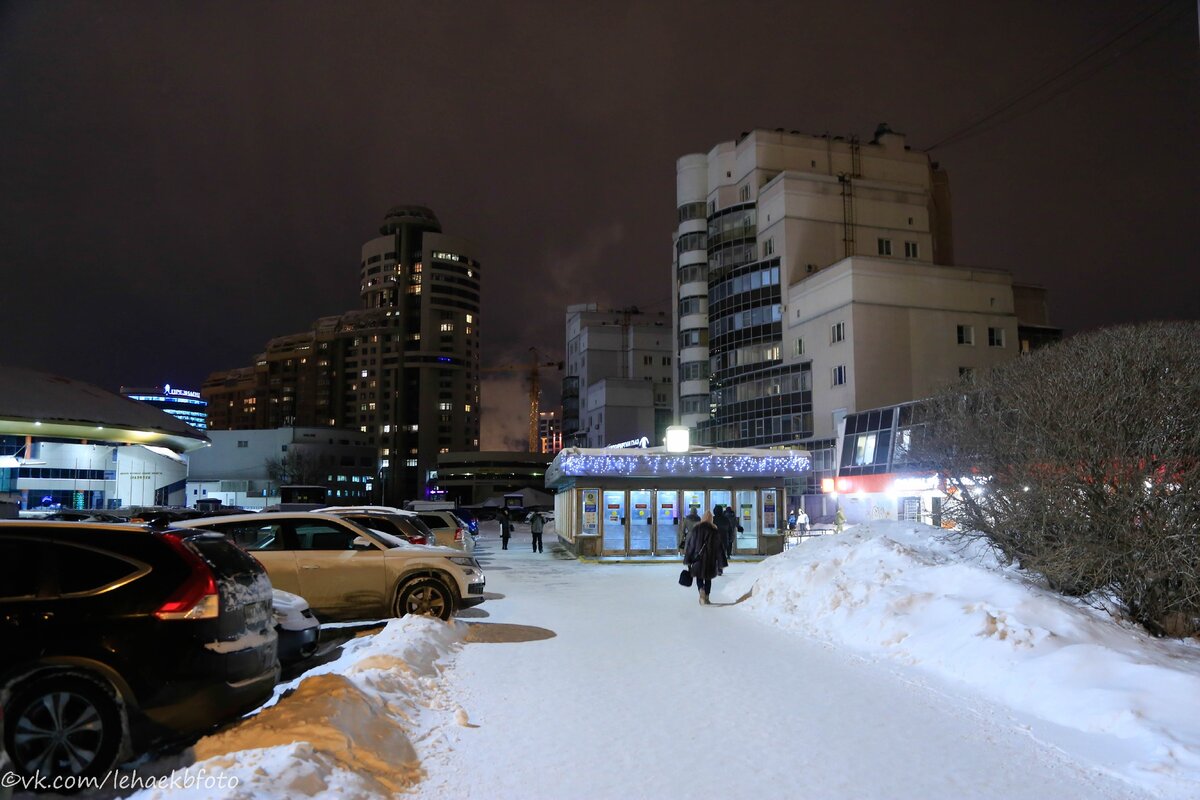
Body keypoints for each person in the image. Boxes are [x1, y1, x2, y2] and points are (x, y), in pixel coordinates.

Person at [684, 510, 728, 605]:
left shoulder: (696, 529)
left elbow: (691, 546)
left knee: (699, 577)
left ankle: (701, 590)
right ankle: (707, 597)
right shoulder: (714, 531)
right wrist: (721, 563)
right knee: (708, 579)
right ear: (711, 520)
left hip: (698, 559)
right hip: (710, 560)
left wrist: (688, 559)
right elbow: (719, 548)